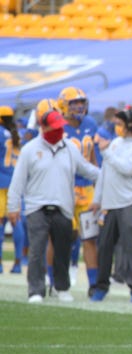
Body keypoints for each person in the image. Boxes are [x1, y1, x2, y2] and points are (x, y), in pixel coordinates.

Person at [7, 110, 99, 302]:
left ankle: (61, 287)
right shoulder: (30, 149)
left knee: (63, 250)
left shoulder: (70, 148)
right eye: (55, 128)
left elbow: (87, 170)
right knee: (37, 250)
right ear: (44, 127)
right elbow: (18, 181)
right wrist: (13, 206)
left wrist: (108, 175)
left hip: (63, 206)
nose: (59, 131)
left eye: (60, 127)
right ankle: (36, 290)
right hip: (36, 207)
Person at [89, 107, 132, 303]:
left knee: (131, 247)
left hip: (130, 202)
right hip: (110, 204)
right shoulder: (115, 143)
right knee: (104, 246)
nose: (117, 127)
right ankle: (101, 287)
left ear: (131, 124)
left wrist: (106, 152)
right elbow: (104, 173)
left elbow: (128, 168)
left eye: (120, 124)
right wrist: (97, 199)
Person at [59, 86, 100, 291]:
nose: (79, 106)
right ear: (63, 105)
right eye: (74, 103)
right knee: (66, 234)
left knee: (90, 236)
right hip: (65, 186)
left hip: (87, 187)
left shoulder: (90, 123)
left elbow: (93, 158)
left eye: (81, 102)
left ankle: (93, 283)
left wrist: (98, 186)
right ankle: (57, 276)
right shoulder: (58, 126)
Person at [0, 105, 23, 274]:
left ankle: (0, 264)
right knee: (16, 222)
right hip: (16, 183)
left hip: (1, 182)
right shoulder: (17, 135)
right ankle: (18, 263)